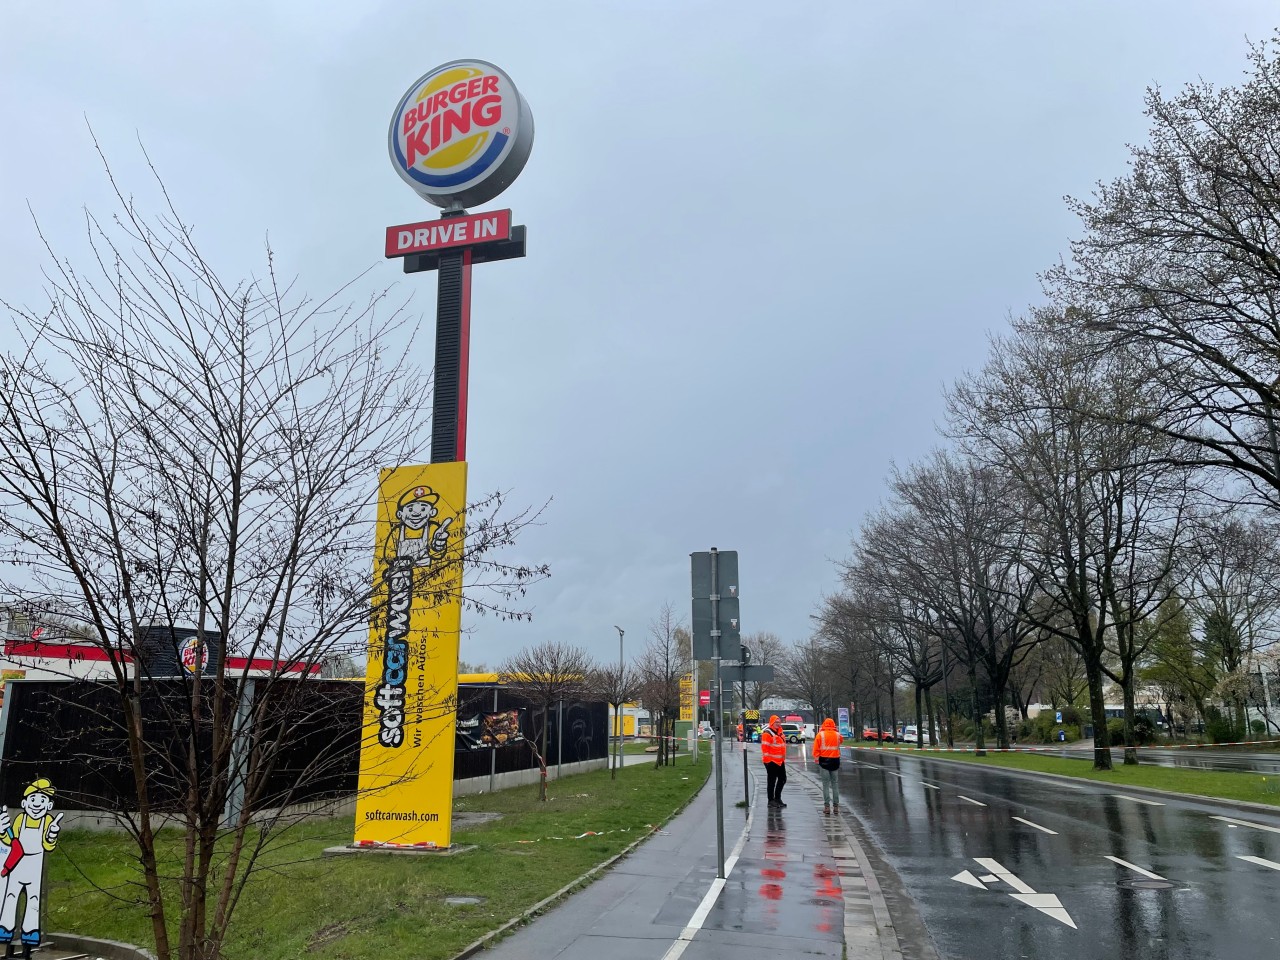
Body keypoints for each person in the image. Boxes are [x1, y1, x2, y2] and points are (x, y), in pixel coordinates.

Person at [0, 778, 63, 947]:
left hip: (35, 863)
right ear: (24, 802)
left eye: (42, 800)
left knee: (34, 897)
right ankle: (6, 927)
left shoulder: (48, 821)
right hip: (18, 863)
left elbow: (48, 844)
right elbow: (11, 840)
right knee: (11, 895)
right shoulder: (20, 819)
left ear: (49, 805)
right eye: (33, 799)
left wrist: (52, 835)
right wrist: (2, 831)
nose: (37, 804)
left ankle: (30, 931)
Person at [812, 717, 844, 815]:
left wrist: (816, 758)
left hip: (824, 761)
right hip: (835, 761)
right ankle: (836, 807)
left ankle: (827, 807)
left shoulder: (820, 735)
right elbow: (841, 741)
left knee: (826, 784)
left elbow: (816, 749)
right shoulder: (838, 735)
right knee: (835, 784)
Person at [761, 714, 787, 807]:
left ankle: (777, 798)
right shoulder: (767, 733)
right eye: (776, 722)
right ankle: (771, 800)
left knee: (783, 779)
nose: (778, 724)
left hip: (780, 761)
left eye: (779, 722)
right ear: (772, 722)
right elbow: (765, 748)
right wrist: (768, 761)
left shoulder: (780, 732)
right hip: (771, 761)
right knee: (771, 781)